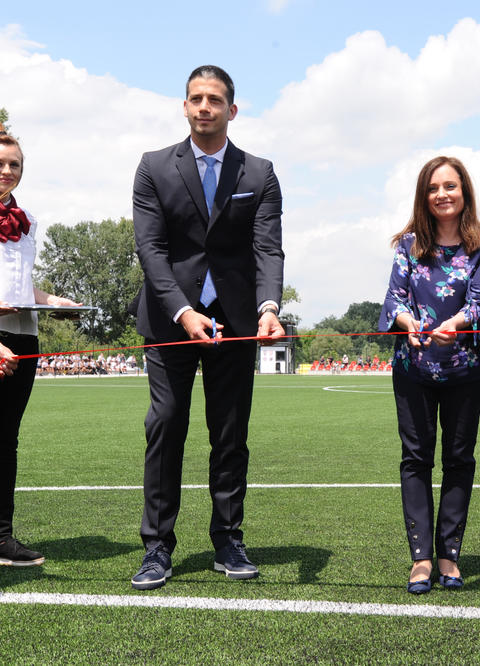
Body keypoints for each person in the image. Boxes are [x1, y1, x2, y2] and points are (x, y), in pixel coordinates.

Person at [129, 65, 285, 590]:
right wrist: (182, 311)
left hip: (238, 322)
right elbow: (150, 249)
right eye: (195, 98)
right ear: (184, 106)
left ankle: (227, 539)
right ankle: (157, 547)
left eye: (214, 100)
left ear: (231, 110)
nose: (203, 107)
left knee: (230, 434)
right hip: (170, 321)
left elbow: (267, 247)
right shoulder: (153, 167)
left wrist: (268, 307)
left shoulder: (259, 173)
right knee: (166, 425)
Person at [378, 156, 480, 594]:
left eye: (450, 186)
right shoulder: (407, 244)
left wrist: (458, 324)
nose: (442, 194)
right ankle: (421, 559)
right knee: (415, 458)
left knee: (458, 459)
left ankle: (450, 555)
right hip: (413, 368)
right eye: (433, 188)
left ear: (464, 191)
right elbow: (393, 301)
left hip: (466, 368)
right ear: (423, 196)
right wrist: (407, 322)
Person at [0, 130, 80, 566]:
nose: (8, 171)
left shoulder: (27, 217)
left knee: (5, 441)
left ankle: (1, 537)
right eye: (0, 164)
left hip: (23, 338)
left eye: (15, 164)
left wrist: (57, 303)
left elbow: (21, 288)